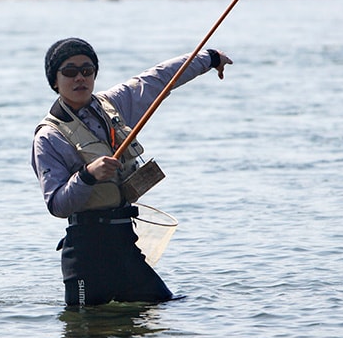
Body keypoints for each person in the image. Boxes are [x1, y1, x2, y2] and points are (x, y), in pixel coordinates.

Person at [31, 38, 232, 307]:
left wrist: (208, 58)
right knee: (84, 332)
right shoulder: (48, 137)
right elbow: (57, 204)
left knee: (163, 305)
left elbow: (160, 78)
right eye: (69, 72)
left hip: (125, 245)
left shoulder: (114, 104)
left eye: (87, 70)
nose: (80, 78)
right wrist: (88, 175)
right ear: (55, 81)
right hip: (85, 256)